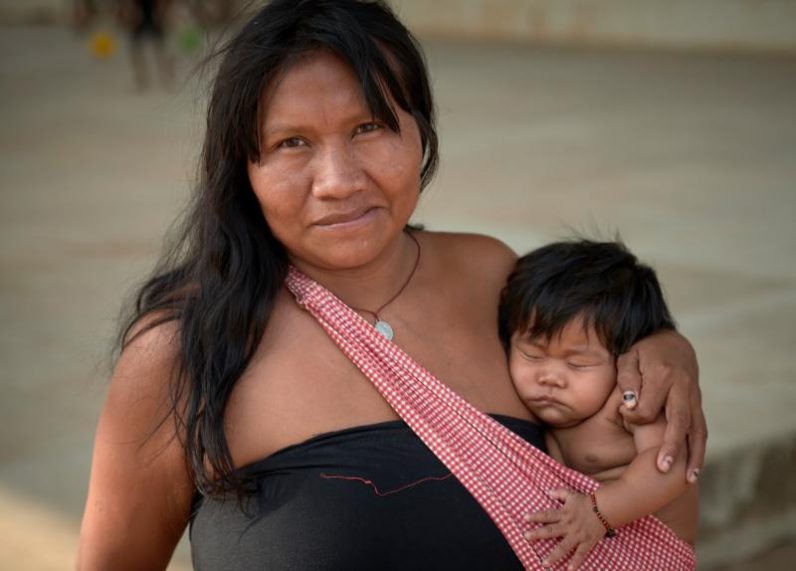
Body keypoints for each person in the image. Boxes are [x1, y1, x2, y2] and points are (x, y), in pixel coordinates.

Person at [76, 1, 706, 569]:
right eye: (292, 142)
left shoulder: (491, 277)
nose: (338, 180)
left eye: (369, 127)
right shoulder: (185, 350)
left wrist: (665, 347)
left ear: (420, 131)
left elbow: (619, 413)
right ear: (244, 167)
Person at [500, 240, 699, 569]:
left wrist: (599, 510)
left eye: (578, 364)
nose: (550, 377)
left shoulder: (631, 400)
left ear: (625, 360)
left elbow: (672, 467)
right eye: (532, 355)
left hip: (650, 557)